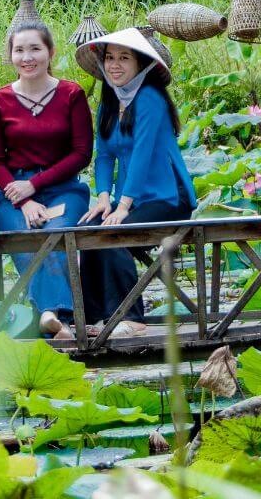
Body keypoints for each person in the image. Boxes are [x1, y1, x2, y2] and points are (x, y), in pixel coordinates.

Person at [76, 28, 196, 336]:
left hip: (168, 198)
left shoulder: (151, 98)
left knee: (116, 233)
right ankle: (94, 317)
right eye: (110, 58)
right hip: (132, 198)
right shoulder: (108, 101)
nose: (115, 65)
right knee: (89, 230)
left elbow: (142, 155)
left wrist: (123, 205)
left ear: (140, 63)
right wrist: (104, 199)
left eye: (124, 58)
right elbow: (103, 155)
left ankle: (131, 318)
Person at [0, 22, 93, 339]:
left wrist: (37, 185)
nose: (27, 57)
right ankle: (56, 316)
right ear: (11, 56)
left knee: (56, 234)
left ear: (50, 52)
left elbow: (82, 153)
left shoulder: (71, 94)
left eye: (35, 49)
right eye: (19, 50)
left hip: (63, 187)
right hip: (14, 190)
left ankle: (48, 313)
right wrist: (24, 198)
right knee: (23, 235)